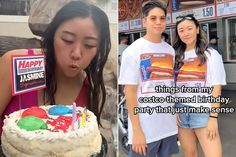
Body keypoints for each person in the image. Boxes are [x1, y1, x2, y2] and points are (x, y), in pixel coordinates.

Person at [0, 1, 111, 134]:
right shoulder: (15, 64)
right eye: (67, 40)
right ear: (52, 36)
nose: (76, 54)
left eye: (89, 45)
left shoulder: (92, 91)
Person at [119, 1, 178, 157]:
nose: (158, 22)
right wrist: (137, 131)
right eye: (153, 18)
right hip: (145, 130)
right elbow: (129, 93)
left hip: (168, 126)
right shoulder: (133, 51)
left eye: (162, 18)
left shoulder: (169, 51)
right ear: (144, 21)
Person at [173, 14, 226, 157]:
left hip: (203, 111)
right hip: (181, 111)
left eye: (189, 28)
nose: (186, 33)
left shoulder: (211, 54)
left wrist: (213, 118)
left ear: (197, 29)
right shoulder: (175, 56)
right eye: (181, 30)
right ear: (177, 33)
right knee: (189, 154)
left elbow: (216, 88)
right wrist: (174, 109)